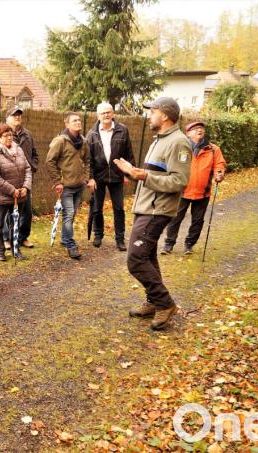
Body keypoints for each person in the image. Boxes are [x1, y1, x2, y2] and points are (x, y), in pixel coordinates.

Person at [113, 97, 191, 331]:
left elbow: (180, 180)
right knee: (146, 256)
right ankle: (153, 301)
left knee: (136, 260)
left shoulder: (179, 142)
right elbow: (152, 175)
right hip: (146, 207)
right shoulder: (160, 140)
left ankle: (165, 303)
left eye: (152, 111)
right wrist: (132, 173)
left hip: (157, 210)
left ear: (165, 115)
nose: (149, 115)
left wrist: (143, 176)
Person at [162, 121, 226, 255]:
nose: (199, 130)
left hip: (203, 193)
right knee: (175, 218)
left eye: (201, 128)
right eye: (195, 129)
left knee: (197, 221)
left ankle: (189, 245)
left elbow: (219, 165)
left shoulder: (213, 149)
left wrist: (219, 174)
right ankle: (169, 244)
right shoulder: (181, 148)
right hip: (182, 191)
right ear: (188, 133)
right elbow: (170, 164)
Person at [86, 102, 135, 250]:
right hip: (98, 177)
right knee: (96, 208)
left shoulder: (123, 130)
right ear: (98, 116)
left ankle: (120, 239)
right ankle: (98, 235)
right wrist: (91, 177)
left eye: (108, 112)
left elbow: (129, 154)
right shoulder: (92, 134)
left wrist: (128, 173)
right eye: (103, 113)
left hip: (117, 175)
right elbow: (88, 159)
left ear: (113, 113)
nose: (106, 115)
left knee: (119, 208)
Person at [45, 112, 93, 259]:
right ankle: (70, 244)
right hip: (66, 186)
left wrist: (86, 178)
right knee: (69, 214)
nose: (78, 122)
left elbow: (88, 161)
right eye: (74, 120)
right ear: (67, 124)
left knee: (71, 215)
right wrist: (57, 182)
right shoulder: (60, 141)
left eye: (79, 120)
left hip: (79, 186)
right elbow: (50, 161)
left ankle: (65, 239)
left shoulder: (83, 141)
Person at [0, 124, 33, 261]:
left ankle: (16, 249)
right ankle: (0, 251)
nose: (9, 138)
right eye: (5, 135)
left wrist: (26, 187)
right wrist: (12, 190)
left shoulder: (18, 150)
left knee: (15, 223)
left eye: (10, 135)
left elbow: (27, 169)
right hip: (2, 196)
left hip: (19, 195)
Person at [2, 106, 38, 249]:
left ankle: (23, 237)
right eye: (14, 115)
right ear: (7, 118)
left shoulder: (27, 134)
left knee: (26, 211)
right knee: (8, 212)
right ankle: (6, 239)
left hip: (26, 180)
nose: (17, 117)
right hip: (9, 179)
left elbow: (34, 153)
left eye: (19, 115)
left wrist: (33, 166)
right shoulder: (4, 134)